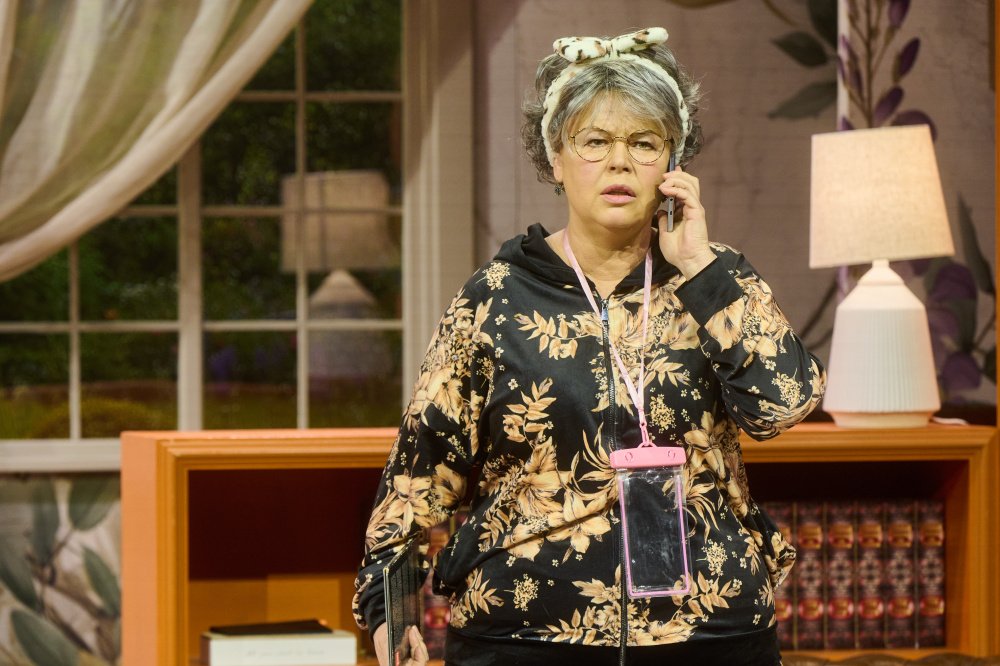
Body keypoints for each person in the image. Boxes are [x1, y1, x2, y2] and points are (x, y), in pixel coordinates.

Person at [353, 26, 825, 666]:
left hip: (709, 632)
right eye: (594, 142)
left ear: (673, 164)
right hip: (523, 635)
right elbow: (419, 469)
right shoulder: (497, 297)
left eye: (644, 143)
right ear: (556, 158)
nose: (619, 163)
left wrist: (700, 269)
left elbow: (783, 405)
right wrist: (392, 608)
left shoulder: (717, 278)